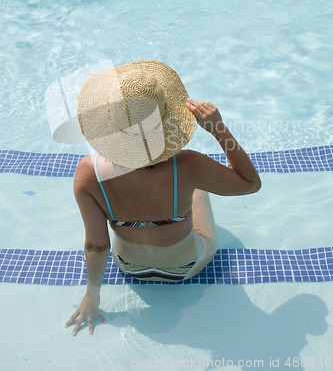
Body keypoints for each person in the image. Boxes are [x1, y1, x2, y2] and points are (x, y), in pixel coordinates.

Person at [65, 60, 261, 335]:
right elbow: (250, 184)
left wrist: (92, 296)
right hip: (184, 267)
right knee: (198, 188)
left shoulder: (88, 173)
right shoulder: (188, 166)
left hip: (130, 267)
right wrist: (219, 129)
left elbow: (96, 247)